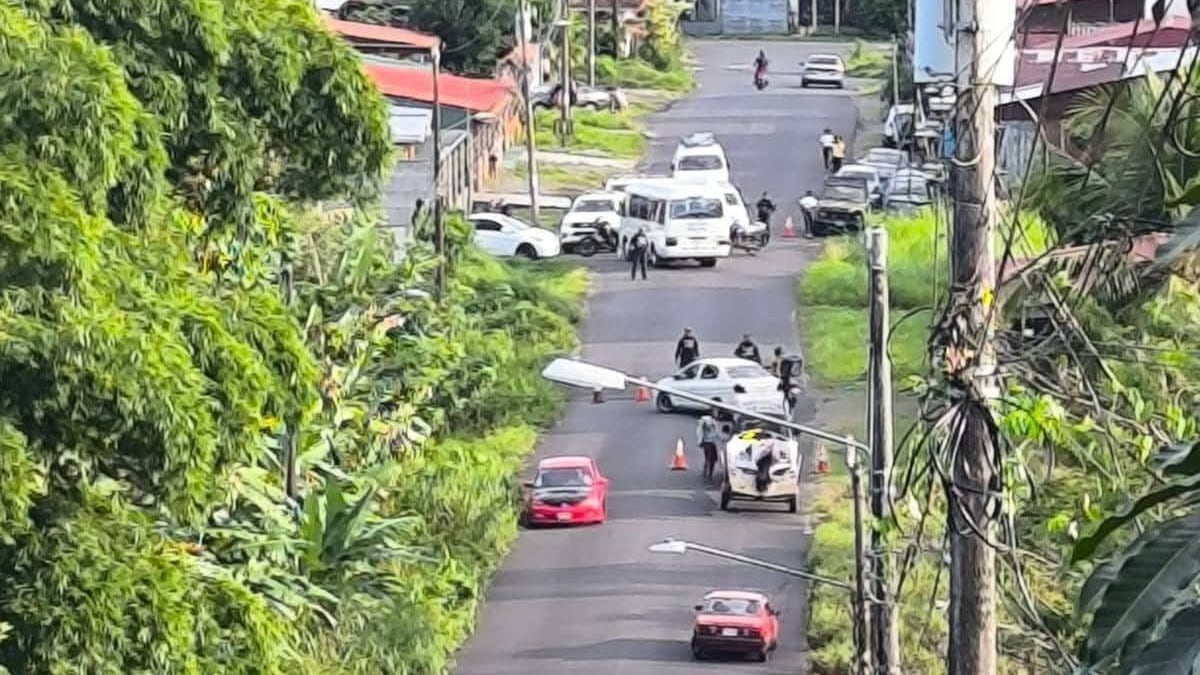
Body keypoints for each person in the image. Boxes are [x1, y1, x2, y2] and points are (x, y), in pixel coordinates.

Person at [696, 414, 722, 481]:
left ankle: (708, 473)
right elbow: (701, 431)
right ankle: (706, 473)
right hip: (707, 443)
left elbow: (717, 433)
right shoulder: (705, 424)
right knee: (709, 458)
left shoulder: (713, 423)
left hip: (712, 443)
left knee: (712, 459)